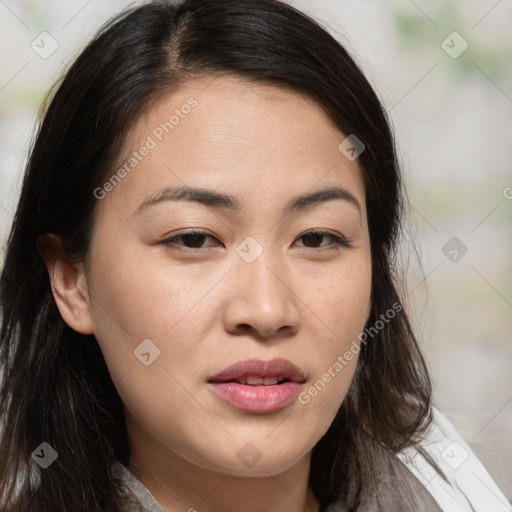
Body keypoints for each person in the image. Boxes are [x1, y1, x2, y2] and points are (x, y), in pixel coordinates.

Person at [0, 1, 509, 511]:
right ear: (72, 279)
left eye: (316, 238)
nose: (267, 311)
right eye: (194, 239)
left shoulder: (459, 495)